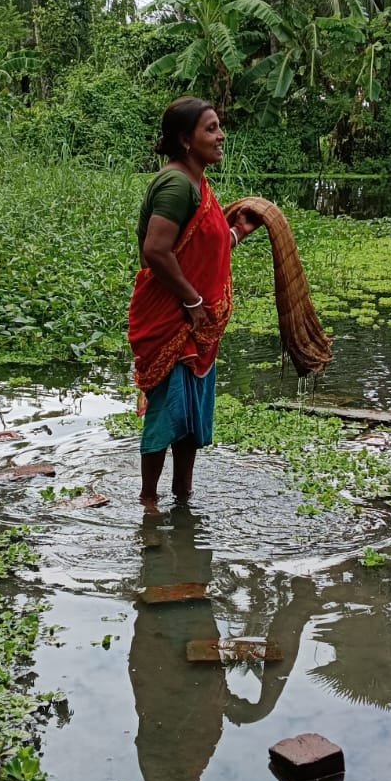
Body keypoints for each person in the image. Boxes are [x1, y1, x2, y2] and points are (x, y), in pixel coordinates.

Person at [128, 98, 257, 505]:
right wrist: (193, 300)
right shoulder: (176, 185)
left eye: (219, 127)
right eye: (211, 129)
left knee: (190, 419)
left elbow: (201, 248)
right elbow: (156, 250)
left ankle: (183, 496)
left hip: (196, 325)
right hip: (173, 318)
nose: (221, 136)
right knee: (166, 415)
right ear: (186, 140)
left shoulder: (197, 184)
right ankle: (149, 503)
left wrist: (237, 232)